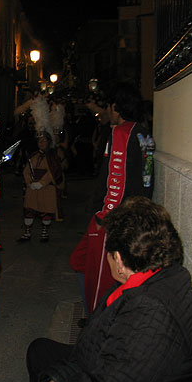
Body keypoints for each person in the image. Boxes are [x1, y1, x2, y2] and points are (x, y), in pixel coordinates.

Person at [5, 196, 192, 382]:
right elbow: (90, 348)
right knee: (40, 351)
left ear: (118, 259)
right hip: (112, 368)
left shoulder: (152, 315)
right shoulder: (149, 277)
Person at [69, 84, 155, 314]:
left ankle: (96, 321)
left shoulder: (121, 133)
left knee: (100, 279)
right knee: (80, 261)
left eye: (109, 106)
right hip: (134, 215)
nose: (107, 110)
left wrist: (104, 217)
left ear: (116, 107)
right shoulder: (144, 133)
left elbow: (116, 180)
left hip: (114, 220)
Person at [19, 131, 64, 243]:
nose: (41, 143)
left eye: (44, 141)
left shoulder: (53, 156)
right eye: (39, 141)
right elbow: (26, 171)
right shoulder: (33, 156)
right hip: (32, 188)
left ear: (49, 142)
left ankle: (44, 232)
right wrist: (30, 182)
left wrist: (41, 183)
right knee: (29, 210)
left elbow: (53, 172)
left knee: (46, 211)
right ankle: (27, 232)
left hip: (47, 188)